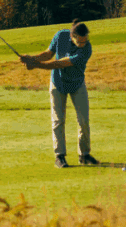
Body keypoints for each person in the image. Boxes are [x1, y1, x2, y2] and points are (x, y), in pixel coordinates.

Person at [20, 20, 98, 167]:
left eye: (84, 41)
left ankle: (84, 155)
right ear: (72, 36)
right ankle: (60, 156)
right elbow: (48, 54)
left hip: (77, 84)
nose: (82, 44)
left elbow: (60, 63)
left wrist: (35, 65)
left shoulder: (86, 49)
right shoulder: (61, 36)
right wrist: (31, 58)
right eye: (79, 41)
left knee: (83, 120)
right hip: (58, 83)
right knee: (58, 120)